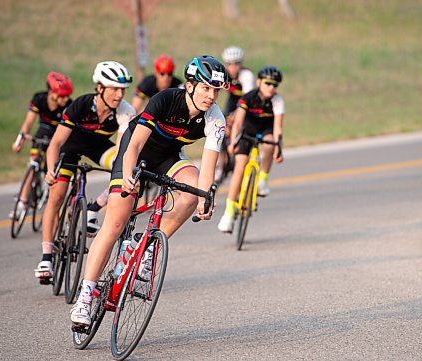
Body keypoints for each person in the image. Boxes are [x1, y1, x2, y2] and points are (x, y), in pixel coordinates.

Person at [70, 55, 229, 326]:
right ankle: (86, 295)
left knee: (192, 193)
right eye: (205, 88)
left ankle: (147, 248)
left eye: (216, 90)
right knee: (116, 222)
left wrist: (205, 198)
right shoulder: (165, 99)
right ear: (190, 86)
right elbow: (133, 145)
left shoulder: (215, 119)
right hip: (136, 151)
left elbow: (208, 167)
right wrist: (130, 175)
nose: (211, 96)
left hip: (167, 156)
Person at [34, 61, 136, 282]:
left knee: (125, 170)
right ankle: (47, 256)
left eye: (122, 90)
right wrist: (51, 170)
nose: (119, 95)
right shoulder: (81, 105)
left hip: (98, 147)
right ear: (99, 88)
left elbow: (122, 152)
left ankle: (93, 207)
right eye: (114, 89)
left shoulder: (125, 111)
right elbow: (56, 142)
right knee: (57, 195)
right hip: (70, 147)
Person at [217, 66, 285, 233]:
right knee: (240, 165)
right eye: (268, 83)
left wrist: (279, 148)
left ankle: (262, 180)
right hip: (247, 131)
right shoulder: (248, 98)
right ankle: (229, 211)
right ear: (259, 82)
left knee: (270, 144)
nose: (271, 87)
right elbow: (238, 122)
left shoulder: (277, 101)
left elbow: (277, 129)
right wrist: (233, 142)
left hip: (266, 131)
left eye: (275, 85)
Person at [10, 72, 73, 219]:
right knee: (33, 165)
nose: (65, 99)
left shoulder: (69, 105)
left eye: (67, 96)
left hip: (59, 133)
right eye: (62, 95)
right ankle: (22, 203)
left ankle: (47, 187)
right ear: (52, 92)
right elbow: (28, 122)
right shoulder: (39, 98)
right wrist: (19, 141)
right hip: (43, 130)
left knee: (52, 166)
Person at [215, 46, 255, 183]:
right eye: (230, 64)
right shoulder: (223, 74)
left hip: (247, 104)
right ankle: (221, 164)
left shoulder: (246, 76)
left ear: (241, 63)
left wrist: (234, 117)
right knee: (221, 129)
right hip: (233, 101)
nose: (233, 67)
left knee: (239, 126)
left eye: (237, 63)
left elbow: (246, 101)